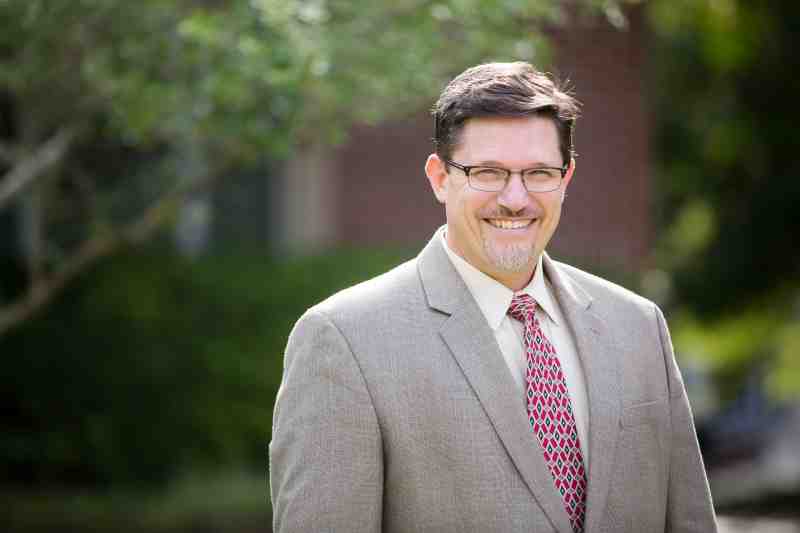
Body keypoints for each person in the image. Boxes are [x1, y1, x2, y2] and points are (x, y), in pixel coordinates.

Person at [269, 62, 717, 533]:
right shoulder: (344, 341)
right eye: (488, 172)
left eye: (539, 173)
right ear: (440, 177)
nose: (516, 198)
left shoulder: (638, 326)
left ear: (566, 179)